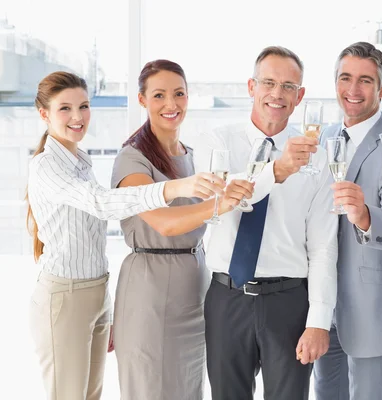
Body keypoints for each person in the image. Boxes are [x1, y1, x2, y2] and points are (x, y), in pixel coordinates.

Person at [26, 71, 225, 400]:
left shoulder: (80, 161)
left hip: (95, 292)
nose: (77, 117)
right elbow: (101, 204)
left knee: (90, 395)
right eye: (65, 109)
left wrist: (110, 307)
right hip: (64, 297)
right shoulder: (47, 166)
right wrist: (177, 187)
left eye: (84, 106)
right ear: (44, 114)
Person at [195, 46, 338, 400]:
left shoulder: (318, 158)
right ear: (251, 87)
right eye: (269, 83)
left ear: (300, 96)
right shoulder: (217, 142)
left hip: (289, 302)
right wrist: (277, 171)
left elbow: (323, 246)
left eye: (289, 86)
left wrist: (318, 320)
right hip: (226, 298)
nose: (277, 94)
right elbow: (225, 198)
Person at [109, 60, 253, 400]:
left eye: (178, 94)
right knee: (151, 389)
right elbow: (165, 223)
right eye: (159, 95)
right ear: (142, 100)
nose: (171, 104)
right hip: (151, 291)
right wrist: (222, 203)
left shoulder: (193, 156)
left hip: (195, 289)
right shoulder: (132, 159)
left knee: (188, 390)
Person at [313, 41, 382, 400]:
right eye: (345, 78)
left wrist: (364, 216)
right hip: (322, 309)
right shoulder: (323, 139)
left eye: (365, 80)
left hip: (373, 310)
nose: (353, 90)